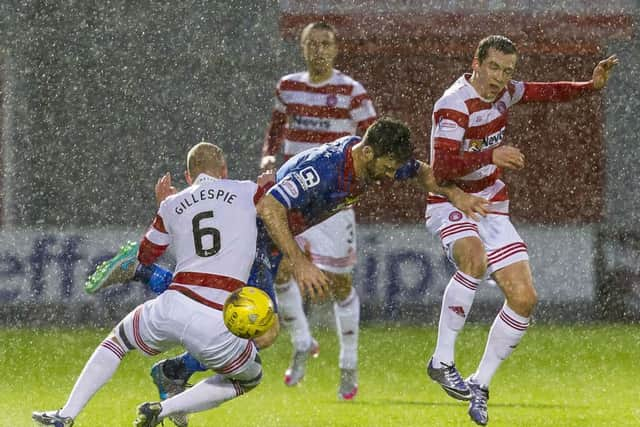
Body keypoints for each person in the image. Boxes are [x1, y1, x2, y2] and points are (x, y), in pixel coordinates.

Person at [87, 117, 489, 413]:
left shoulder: (372, 157)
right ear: (367, 152)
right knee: (258, 330)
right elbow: (269, 205)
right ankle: (151, 296)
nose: (387, 175)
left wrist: (454, 194)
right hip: (258, 233)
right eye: (384, 166)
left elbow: (417, 172)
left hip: (274, 241)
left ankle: (174, 365)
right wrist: (298, 262)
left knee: (231, 314)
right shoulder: (324, 169)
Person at [424, 35, 618, 426]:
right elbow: (441, 170)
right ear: (475, 62)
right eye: (493, 67)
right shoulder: (454, 105)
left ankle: (479, 383)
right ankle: (442, 360)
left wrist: (589, 86)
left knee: (525, 299)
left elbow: (546, 92)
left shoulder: (504, 93)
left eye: (507, 71)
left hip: (492, 205)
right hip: (452, 201)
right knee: (473, 260)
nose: (500, 78)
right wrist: (490, 155)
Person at [33, 142, 271, 427]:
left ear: (187, 175)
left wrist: (163, 209)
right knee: (249, 378)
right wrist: (267, 185)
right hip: (218, 319)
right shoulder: (247, 190)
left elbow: (146, 255)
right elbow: (271, 211)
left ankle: (65, 415)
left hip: (173, 304)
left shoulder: (172, 204)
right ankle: (163, 409)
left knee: (117, 341)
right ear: (224, 170)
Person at [260, 20, 377, 395]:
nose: (320, 50)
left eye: (326, 43)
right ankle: (301, 342)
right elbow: (276, 128)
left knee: (339, 285)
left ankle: (349, 364)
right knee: (279, 273)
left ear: (336, 49)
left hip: (332, 202)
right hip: (294, 198)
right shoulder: (288, 86)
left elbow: (373, 138)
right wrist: (268, 157)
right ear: (303, 46)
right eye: (313, 43)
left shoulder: (351, 91)